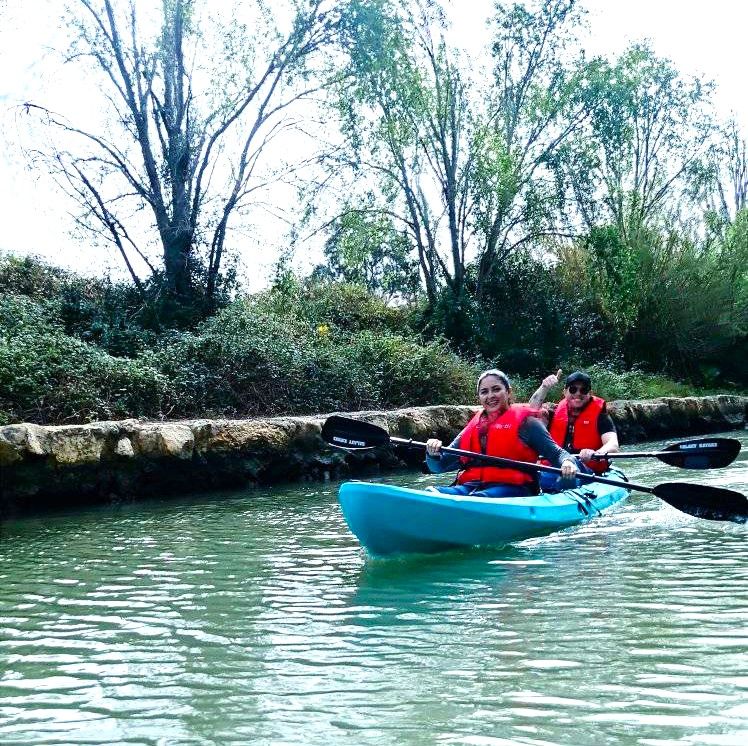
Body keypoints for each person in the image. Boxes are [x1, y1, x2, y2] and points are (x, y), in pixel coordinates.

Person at [425, 369, 579, 497]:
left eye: (496, 389)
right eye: (484, 392)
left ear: (508, 392)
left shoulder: (528, 424)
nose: (490, 395)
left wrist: (568, 463)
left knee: (480, 499)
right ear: (479, 397)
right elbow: (439, 467)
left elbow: (558, 454)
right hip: (473, 486)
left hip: (514, 488)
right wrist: (432, 454)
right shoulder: (473, 427)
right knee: (432, 493)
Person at [529, 369, 620, 491]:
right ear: (565, 392)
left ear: (590, 393)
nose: (578, 393)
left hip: (586, 471)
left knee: (569, 465)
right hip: (555, 468)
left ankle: (561, 490)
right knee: (538, 476)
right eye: (573, 389)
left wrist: (595, 454)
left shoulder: (601, 415)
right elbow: (530, 410)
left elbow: (613, 445)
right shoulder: (553, 413)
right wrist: (544, 387)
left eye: (583, 390)